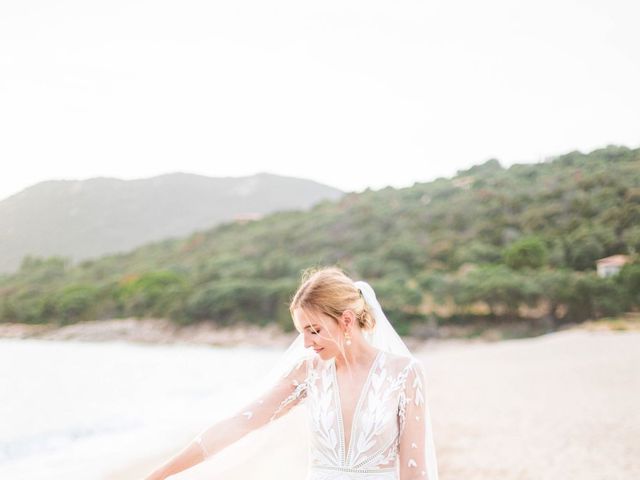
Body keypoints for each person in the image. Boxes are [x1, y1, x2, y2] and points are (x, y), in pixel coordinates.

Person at [144, 266, 438, 480]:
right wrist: (161, 473)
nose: (307, 343)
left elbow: (415, 471)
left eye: (315, 331)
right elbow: (240, 423)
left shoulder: (405, 374)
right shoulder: (308, 372)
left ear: (346, 320)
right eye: (302, 333)